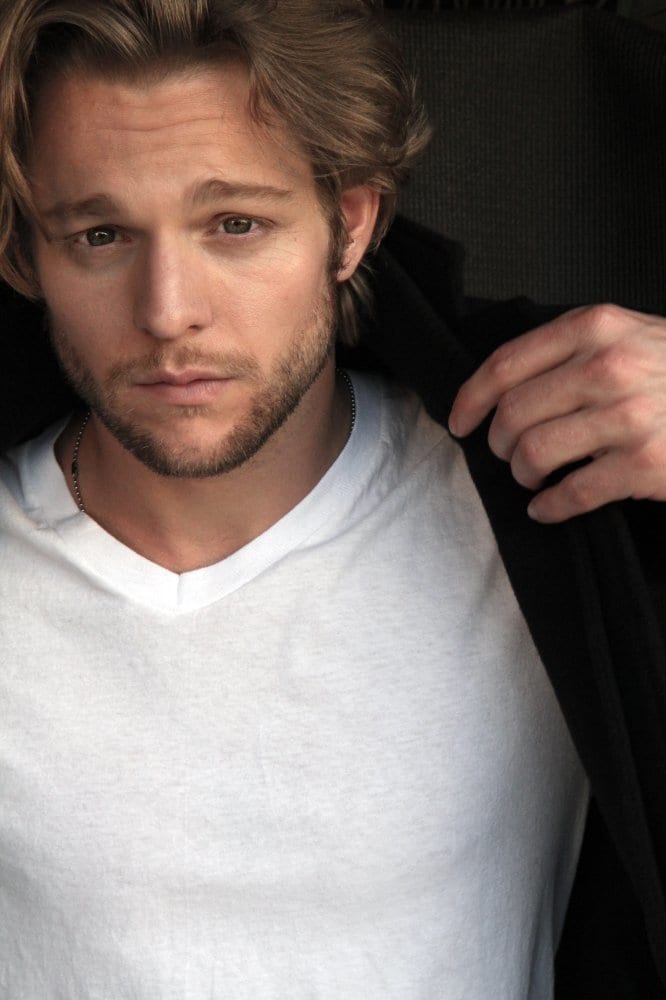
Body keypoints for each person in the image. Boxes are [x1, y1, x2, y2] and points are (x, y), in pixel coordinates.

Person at [0, 0, 664, 996]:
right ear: (28, 256)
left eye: (234, 224)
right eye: (100, 234)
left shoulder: (538, 514)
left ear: (350, 225)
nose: (168, 311)